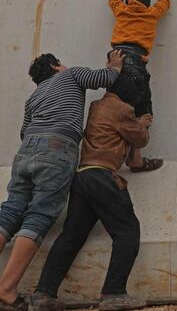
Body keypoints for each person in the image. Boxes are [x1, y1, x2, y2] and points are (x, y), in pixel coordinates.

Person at [0, 51, 123, 311]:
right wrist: (115, 66)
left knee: (10, 210)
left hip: (26, 150)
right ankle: (5, 289)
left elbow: (24, 131)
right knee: (39, 215)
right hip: (57, 147)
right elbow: (103, 78)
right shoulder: (71, 74)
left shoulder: (33, 97)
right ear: (55, 66)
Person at [31, 73, 152, 311]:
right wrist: (142, 124)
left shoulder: (97, 106)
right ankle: (113, 293)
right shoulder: (122, 110)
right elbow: (140, 140)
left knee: (71, 236)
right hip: (103, 176)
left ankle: (44, 294)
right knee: (127, 231)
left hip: (83, 175)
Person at [108, 0, 170, 173]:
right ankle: (136, 157)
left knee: (115, 107)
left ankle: (111, 155)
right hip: (135, 61)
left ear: (128, 1)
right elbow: (164, 4)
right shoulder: (151, 13)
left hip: (115, 59)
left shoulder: (121, 10)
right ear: (147, 3)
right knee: (142, 110)